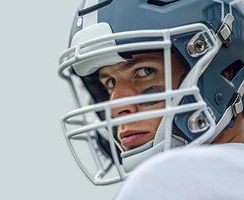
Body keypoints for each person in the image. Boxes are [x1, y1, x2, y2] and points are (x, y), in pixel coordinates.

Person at [58, 0, 244, 198]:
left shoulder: (171, 180)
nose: (115, 109)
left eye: (144, 71)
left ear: (225, 71)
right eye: (110, 83)